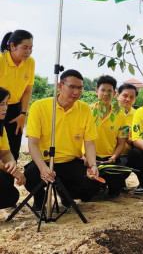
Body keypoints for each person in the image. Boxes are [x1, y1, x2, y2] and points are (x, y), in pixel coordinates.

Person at [24, 69, 100, 210]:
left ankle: (65, 194)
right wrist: (42, 168)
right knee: (29, 176)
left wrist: (93, 164)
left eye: (80, 88)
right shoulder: (39, 107)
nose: (76, 92)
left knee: (92, 186)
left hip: (69, 161)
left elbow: (89, 143)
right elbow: (32, 143)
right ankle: (39, 196)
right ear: (60, 86)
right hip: (45, 160)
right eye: (72, 87)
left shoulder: (84, 109)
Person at [89, 75, 128, 198]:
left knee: (116, 189)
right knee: (88, 191)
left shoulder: (120, 115)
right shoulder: (87, 112)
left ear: (115, 93)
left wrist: (113, 157)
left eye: (109, 91)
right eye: (103, 90)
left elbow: (121, 143)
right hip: (89, 159)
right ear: (96, 91)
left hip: (108, 159)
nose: (106, 94)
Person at [0, 30, 34, 161]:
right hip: (0, 106)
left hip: (16, 109)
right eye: (25, 48)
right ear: (12, 46)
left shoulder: (30, 62)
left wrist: (23, 114)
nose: (28, 51)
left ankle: (8, 180)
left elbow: (27, 90)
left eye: (31, 48)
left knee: (13, 150)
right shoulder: (1, 60)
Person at [0, 87, 26, 209]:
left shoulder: (1, 127)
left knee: (11, 196)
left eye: (6, 103)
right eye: (1, 104)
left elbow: (5, 152)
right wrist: (14, 172)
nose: (5, 108)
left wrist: (11, 161)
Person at [117, 83, 138, 191]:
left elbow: (138, 138)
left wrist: (126, 139)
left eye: (131, 97)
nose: (128, 99)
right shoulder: (110, 113)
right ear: (117, 96)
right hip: (108, 152)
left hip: (127, 153)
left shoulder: (137, 115)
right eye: (124, 96)